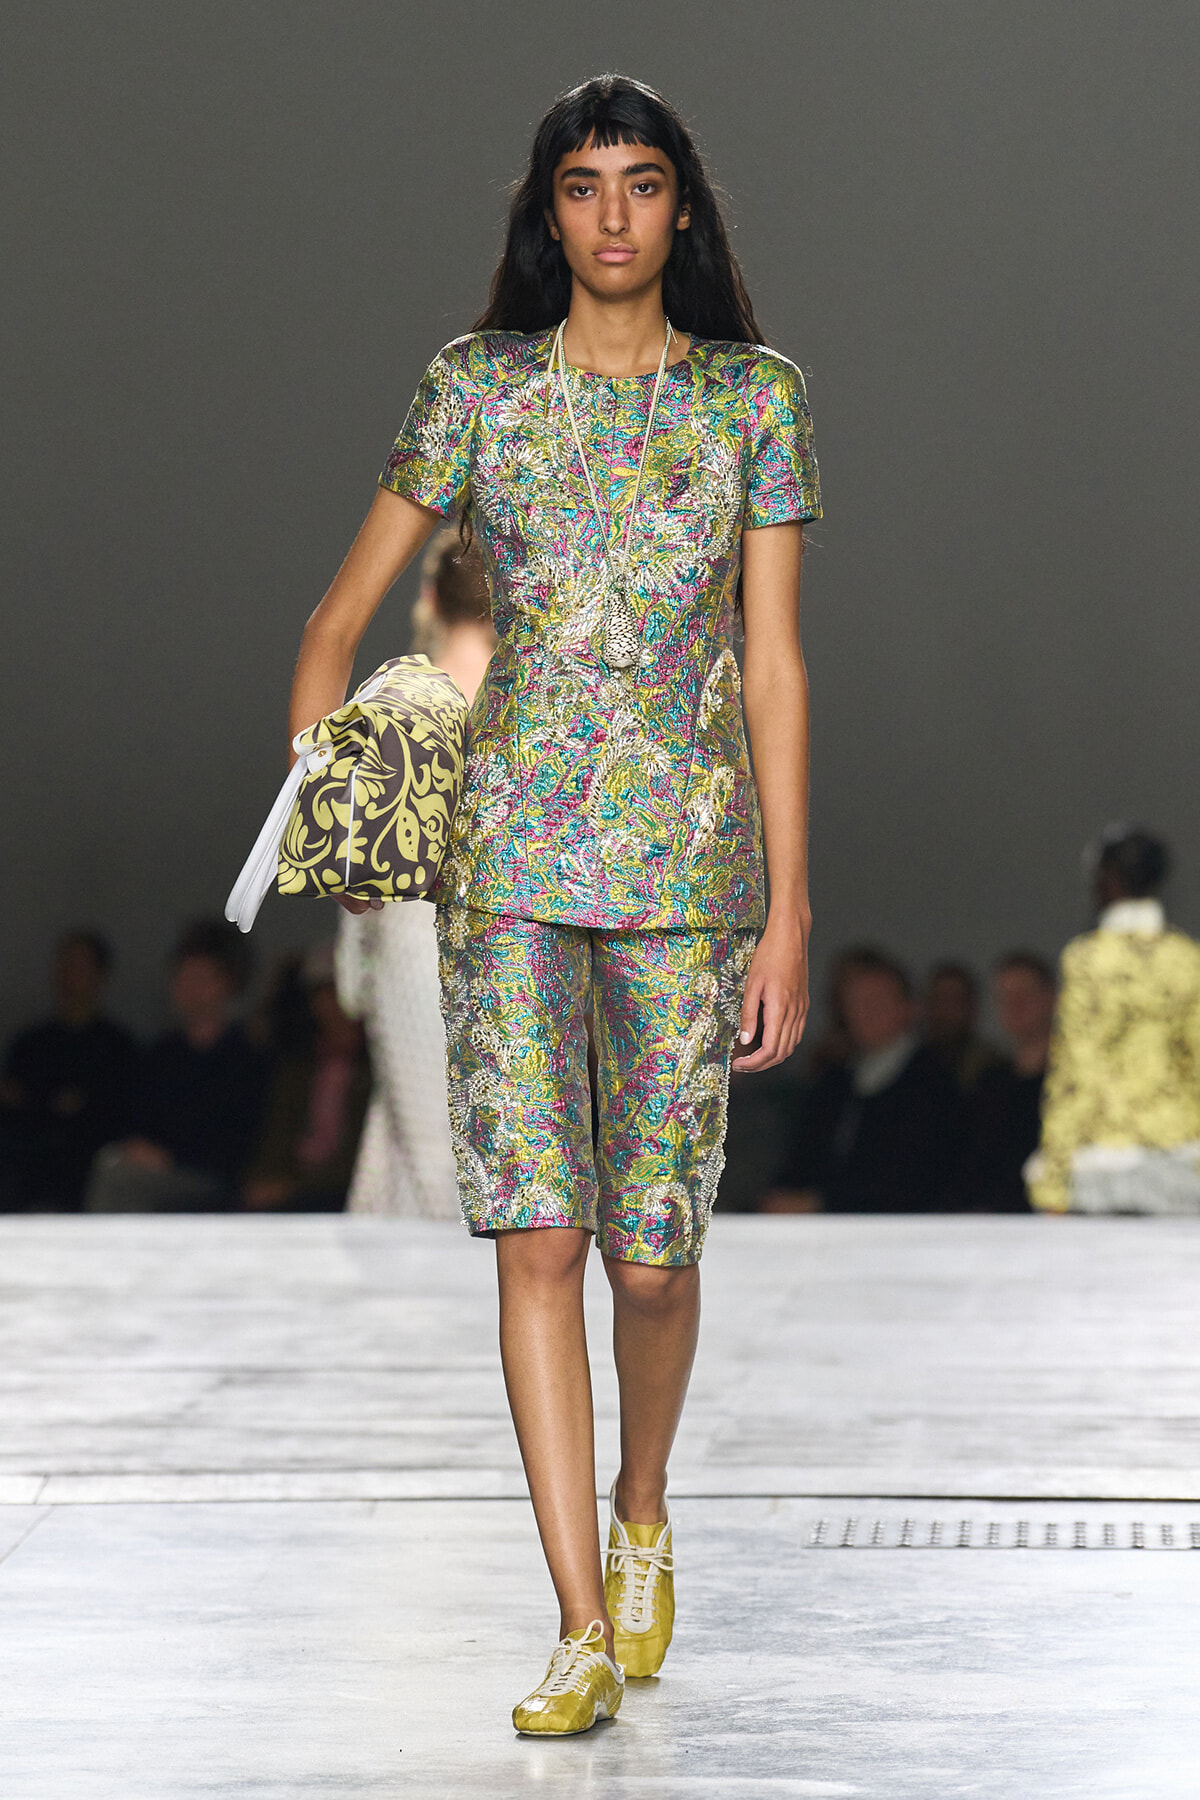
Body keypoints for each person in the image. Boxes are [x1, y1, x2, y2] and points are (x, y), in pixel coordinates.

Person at [283, 75, 819, 1732]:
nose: (609, 216)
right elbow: (336, 614)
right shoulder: (478, 394)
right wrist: (335, 780)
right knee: (539, 1238)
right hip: (507, 869)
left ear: (681, 212)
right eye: (581, 186)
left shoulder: (753, 401)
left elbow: (775, 665)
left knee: (653, 1259)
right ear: (546, 212)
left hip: (685, 873)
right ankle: (578, 1617)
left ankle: (643, 1509)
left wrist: (792, 911)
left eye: (640, 185)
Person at [335, 530, 495, 1217]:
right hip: (517, 962)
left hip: (407, 955)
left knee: (419, 1162)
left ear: (430, 597)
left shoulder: (391, 709)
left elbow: (350, 974)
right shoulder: (541, 718)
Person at [1029, 825, 1200, 1214]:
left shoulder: (1088, 961)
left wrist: (1053, 1177)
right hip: (1181, 1154)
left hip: (1104, 1157)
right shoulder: (1187, 959)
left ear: (1108, 880)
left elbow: (1077, 1073)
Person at [86, 920, 269, 1212]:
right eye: (182, 976)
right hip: (157, 1171)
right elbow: (133, 1120)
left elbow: (239, 1143)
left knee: (120, 1179)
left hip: (213, 1179)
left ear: (228, 984)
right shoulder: (159, 1055)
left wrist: (171, 1158)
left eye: (201, 978)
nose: (188, 987)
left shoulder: (248, 1059)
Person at [764, 952, 961, 1213]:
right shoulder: (834, 1082)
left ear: (908, 1008)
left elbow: (914, 1177)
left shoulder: (933, 1083)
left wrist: (823, 1202)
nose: (865, 1013)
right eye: (855, 1003)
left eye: (876, 1002)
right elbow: (800, 1157)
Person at [0, 931, 136, 1210]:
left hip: (87, 1165)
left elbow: (115, 1111)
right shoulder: (30, 1042)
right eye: (65, 964)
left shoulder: (118, 1046)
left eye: (80, 966)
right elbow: (14, 1100)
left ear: (101, 975)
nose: (69, 975)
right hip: (27, 1160)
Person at [244, 945, 370, 1212]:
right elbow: (276, 1138)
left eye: (343, 991)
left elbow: (365, 1156)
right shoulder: (297, 1067)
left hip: (346, 1194)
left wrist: (294, 1187)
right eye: (326, 993)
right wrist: (263, 1181)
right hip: (291, 1191)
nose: (337, 1004)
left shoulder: (379, 1067)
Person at [945, 952, 1056, 1211]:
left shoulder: (1073, 1085)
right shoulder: (989, 1084)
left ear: (1051, 998)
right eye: (1005, 997)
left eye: (1024, 994)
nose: (1014, 1005)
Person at [922, 961, 1001, 1092]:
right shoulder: (905, 1065)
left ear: (972, 1006)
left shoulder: (991, 1066)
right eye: (942, 999)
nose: (949, 1008)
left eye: (956, 1000)